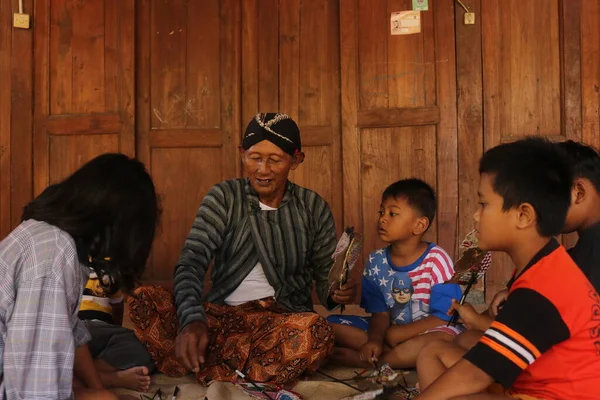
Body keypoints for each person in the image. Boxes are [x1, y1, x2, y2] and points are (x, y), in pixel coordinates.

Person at [128, 113, 356, 385]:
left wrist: (336, 292)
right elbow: (192, 262)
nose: (262, 169)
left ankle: (209, 363)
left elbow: (324, 281)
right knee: (144, 298)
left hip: (277, 324)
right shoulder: (224, 197)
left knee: (316, 332)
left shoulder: (312, 207)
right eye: (254, 157)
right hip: (219, 321)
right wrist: (192, 320)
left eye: (275, 160)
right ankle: (239, 365)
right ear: (241, 154)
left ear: (296, 160)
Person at [416, 137, 600, 399]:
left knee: (453, 384)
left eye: (484, 204)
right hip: (534, 384)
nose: (476, 215)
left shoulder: (541, 290)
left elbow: (475, 374)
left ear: (523, 216)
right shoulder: (548, 264)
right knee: (433, 353)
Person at [0, 153, 160, 400]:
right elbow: (33, 392)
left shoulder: (63, 244)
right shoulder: (54, 251)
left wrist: (100, 390)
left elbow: (72, 331)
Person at [326, 179, 463, 369]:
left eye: (393, 213)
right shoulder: (376, 261)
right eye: (381, 212)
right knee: (329, 326)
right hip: (390, 330)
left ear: (419, 225)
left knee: (443, 339)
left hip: (428, 330)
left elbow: (445, 315)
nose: (382, 218)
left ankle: (374, 360)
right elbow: (380, 314)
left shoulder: (437, 260)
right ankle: (386, 354)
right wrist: (374, 340)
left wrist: (400, 334)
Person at [78, 268, 156, 392]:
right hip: (77, 326)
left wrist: (115, 332)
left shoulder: (106, 269)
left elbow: (118, 307)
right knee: (145, 348)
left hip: (94, 332)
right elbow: (118, 308)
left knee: (148, 350)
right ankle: (110, 378)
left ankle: (80, 374)